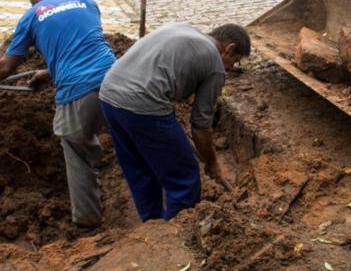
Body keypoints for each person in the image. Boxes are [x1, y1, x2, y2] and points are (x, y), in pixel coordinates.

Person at [0, 0, 116, 228]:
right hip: (118, 79)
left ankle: (87, 219)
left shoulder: (32, 15)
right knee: (125, 138)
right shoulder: (88, 2)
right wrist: (49, 73)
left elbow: (7, 65)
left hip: (77, 89)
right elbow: (81, 46)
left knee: (75, 145)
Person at [98, 22, 250, 222]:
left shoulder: (183, 29)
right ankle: (178, 234)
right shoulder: (215, 64)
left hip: (109, 95)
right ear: (229, 49)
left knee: (139, 169)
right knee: (184, 178)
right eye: (235, 61)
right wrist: (211, 162)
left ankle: (152, 226)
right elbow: (201, 125)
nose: (230, 69)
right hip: (144, 105)